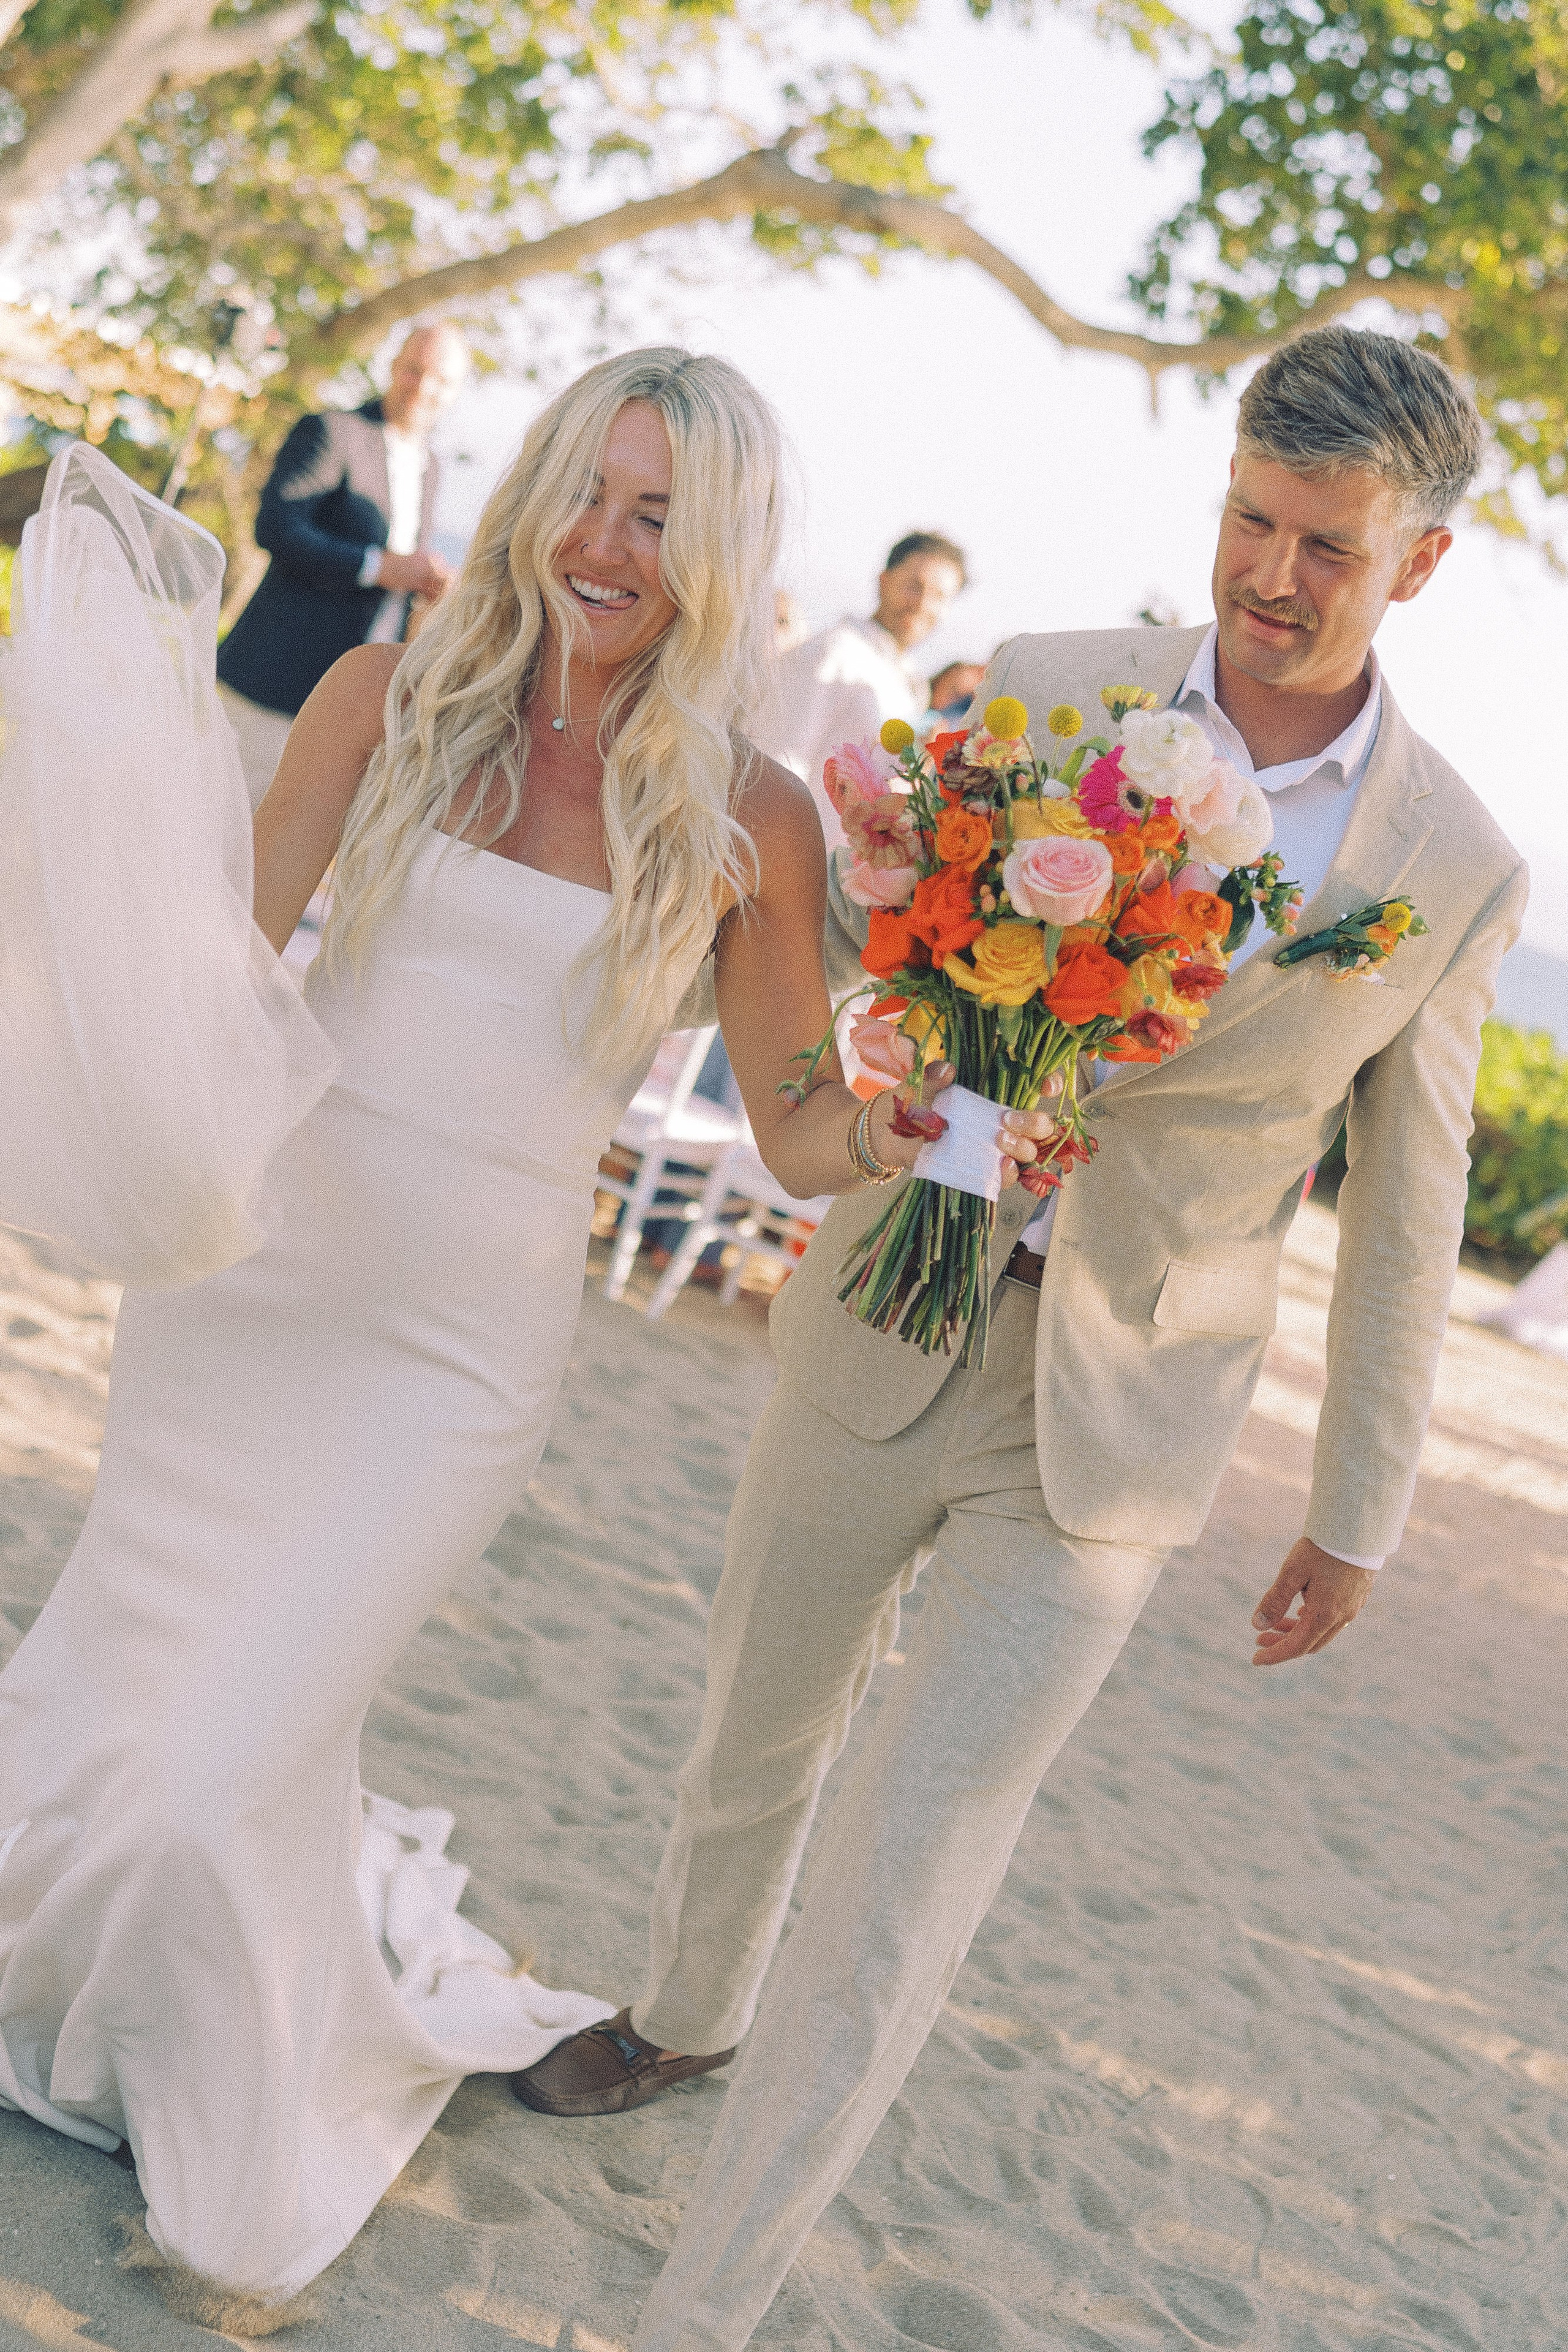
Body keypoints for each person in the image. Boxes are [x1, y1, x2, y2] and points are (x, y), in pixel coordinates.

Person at [0, 350, 1061, 2304]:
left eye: (653, 513)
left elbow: (790, 1127)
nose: (600, 540)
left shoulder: (748, 814)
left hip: (455, 1360)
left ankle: (233, 2149)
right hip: (251, 1292)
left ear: (716, 548)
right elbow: (214, 969)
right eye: (584, 490)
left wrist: (927, 1119)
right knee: (138, 1682)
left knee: (240, 1740)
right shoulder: (386, 694)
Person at [514, 327, 1530, 2352]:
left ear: (1414, 564)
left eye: (1325, 545)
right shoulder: (1051, 689)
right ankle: (687, 2013)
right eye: (1252, 517)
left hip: (1118, 1429)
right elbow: (873, 935)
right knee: (749, 1735)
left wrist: (1364, 1509)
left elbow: (1412, 1212)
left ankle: (708, 2307)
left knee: (910, 1870)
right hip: (891, 1307)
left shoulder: (1455, 868)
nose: (1272, 572)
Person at [215, 322, 469, 808]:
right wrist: (377, 567)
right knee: (212, 836)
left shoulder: (432, 466)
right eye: (414, 369)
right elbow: (277, 527)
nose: (422, 386)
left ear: (453, 393)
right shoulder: (332, 431)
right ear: (395, 367)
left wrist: (428, 585)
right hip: (272, 684)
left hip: (349, 706)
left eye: (439, 379)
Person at [761, 530, 967, 850]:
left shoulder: (913, 682)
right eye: (914, 586)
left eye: (939, 596)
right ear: (884, 581)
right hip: (802, 860)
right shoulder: (835, 652)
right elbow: (776, 763)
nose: (922, 604)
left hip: (863, 873)